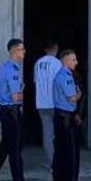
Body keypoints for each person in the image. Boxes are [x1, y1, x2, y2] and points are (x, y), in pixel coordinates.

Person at [0, 39, 36, 181]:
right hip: (11, 111)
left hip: (5, 111)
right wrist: (21, 91)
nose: (24, 52)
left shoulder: (4, 68)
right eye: (21, 49)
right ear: (14, 51)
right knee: (15, 151)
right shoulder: (12, 71)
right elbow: (15, 97)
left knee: (4, 149)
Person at [52, 49, 84, 181]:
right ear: (65, 60)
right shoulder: (66, 76)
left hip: (64, 114)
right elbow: (72, 97)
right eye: (73, 59)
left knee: (61, 151)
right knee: (71, 151)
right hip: (65, 117)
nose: (76, 63)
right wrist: (79, 93)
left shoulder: (62, 75)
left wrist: (75, 113)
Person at [33, 41, 60, 172]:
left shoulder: (38, 63)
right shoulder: (57, 63)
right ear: (55, 48)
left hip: (41, 103)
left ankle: (52, 163)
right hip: (55, 102)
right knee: (59, 133)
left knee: (47, 134)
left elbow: (35, 81)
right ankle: (59, 162)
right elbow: (59, 83)